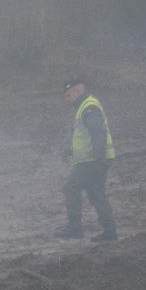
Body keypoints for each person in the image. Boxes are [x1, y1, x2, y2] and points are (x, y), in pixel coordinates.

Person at [54, 80, 117, 242]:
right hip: (94, 160)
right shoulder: (86, 106)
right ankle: (110, 231)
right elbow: (87, 138)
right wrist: (71, 151)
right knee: (97, 195)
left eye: (68, 95)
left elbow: (98, 133)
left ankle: (75, 229)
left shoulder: (89, 107)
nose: (67, 99)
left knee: (70, 188)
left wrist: (98, 158)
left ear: (78, 91)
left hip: (92, 161)